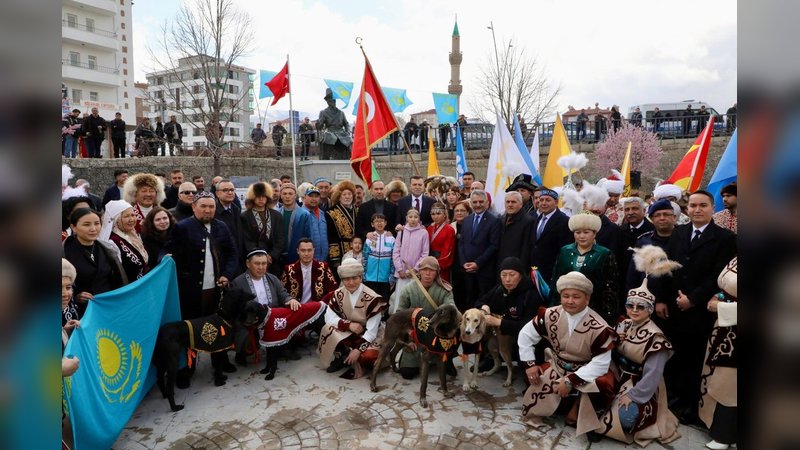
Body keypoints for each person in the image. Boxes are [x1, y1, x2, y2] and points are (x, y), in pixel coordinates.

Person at [654, 190, 736, 426]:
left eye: (702, 205)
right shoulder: (679, 233)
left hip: (700, 311)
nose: (697, 209)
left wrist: (693, 299)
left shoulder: (725, 238)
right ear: (686, 209)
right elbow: (665, 266)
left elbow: (717, 275)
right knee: (674, 356)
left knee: (696, 360)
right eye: (692, 205)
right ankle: (673, 397)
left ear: (712, 208)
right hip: (672, 308)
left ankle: (693, 407)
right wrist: (660, 298)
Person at [518, 271, 616, 441]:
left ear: (587, 299)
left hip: (587, 371)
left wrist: (571, 381)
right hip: (558, 365)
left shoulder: (600, 327)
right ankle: (565, 404)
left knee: (603, 385)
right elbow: (526, 335)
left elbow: (601, 364)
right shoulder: (550, 314)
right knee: (533, 377)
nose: (570, 301)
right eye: (565, 296)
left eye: (576, 297)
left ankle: (579, 413)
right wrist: (529, 364)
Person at [595, 254, 680, 446]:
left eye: (640, 307)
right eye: (630, 305)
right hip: (616, 375)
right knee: (592, 392)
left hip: (639, 384)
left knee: (625, 418)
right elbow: (608, 355)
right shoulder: (623, 325)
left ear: (650, 310)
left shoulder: (657, 339)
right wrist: (615, 344)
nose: (634, 310)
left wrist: (632, 396)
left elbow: (653, 375)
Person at [163, 191, 239, 385]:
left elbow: (232, 254)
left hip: (216, 290)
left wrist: (226, 275)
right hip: (191, 291)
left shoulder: (221, 227)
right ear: (194, 207)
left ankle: (219, 363)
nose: (208, 210)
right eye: (203, 206)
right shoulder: (182, 227)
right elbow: (169, 252)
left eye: (211, 206)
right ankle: (188, 368)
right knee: (191, 329)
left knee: (218, 327)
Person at [230, 249, 326, 378]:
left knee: (290, 319)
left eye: (264, 264)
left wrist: (290, 300)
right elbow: (235, 309)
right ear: (248, 264)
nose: (261, 267)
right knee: (247, 348)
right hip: (251, 322)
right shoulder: (238, 282)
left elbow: (283, 294)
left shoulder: (272, 278)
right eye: (257, 264)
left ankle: (281, 348)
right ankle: (243, 352)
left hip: (272, 320)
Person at [318, 258, 388, 379]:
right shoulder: (338, 294)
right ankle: (343, 355)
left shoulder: (373, 298)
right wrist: (348, 325)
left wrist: (357, 350)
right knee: (329, 328)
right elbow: (328, 317)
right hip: (350, 331)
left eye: (354, 278)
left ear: (361, 277)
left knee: (368, 357)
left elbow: (371, 332)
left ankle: (357, 359)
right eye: (346, 279)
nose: (351, 282)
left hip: (369, 335)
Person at [550, 207, 620, 325]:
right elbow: (556, 280)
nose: (581, 236)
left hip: (594, 308)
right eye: (578, 232)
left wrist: (609, 315)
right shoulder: (565, 251)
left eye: (586, 232)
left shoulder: (604, 254)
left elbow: (611, 287)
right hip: (566, 306)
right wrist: (553, 306)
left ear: (594, 233)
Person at [395, 256, 456, 379]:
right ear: (419, 271)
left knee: (456, 327)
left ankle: (447, 357)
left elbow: (452, 309)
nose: (428, 273)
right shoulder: (408, 290)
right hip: (416, 336)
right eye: (424, 270)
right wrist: (408, 335)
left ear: (437, 272)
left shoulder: (445, 290)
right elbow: (399, 315)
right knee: (407, 373)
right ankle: (412, 359)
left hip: (437, 334)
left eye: (432, 270)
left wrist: (444, 314)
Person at [699, 257, 737, 450]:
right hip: (725, 329)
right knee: (717, 377)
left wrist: (722, 307)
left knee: (729, 385)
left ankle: (726, 434)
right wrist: (719, 297)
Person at [475, 257, 544, 360]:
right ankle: (489, 357)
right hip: (500, 336)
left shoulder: (530, 294)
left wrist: (499, 322)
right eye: (504, 275)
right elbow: (479, 301)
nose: (507, 279)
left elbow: (529, 327)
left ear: (520, 275)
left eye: (512, 275)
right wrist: (483, 307)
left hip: (522, 340)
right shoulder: (500, 289)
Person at [62, 208, 128, 316]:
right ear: (73, 227)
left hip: (107, 308)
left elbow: (117, 280)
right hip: (81, 313)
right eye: (86, 224)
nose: (93, 229)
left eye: (97, 223)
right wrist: (74, 295)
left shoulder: (106, 249)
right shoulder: (65, 252)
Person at [625, 200, 680, 290]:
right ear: (652, 219)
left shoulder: (684, 238)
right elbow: (633, 274)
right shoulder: (643, 241)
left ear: (674, 217)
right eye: (657, 215)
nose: (662, 218)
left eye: (666, 214)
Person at [459, 190, 500, 307]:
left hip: (484, 271)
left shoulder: (494, 220)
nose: (477, 205)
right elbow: (461, 243)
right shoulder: (467, 220)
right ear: (470, 203)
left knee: (483, 302)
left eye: (481, 202)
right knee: (468, 300)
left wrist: (477, 263)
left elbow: (493, 246)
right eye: (475, 202)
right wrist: (464, 263)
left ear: (486, 202)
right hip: (467, 270)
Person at [241, 182, 285, 277]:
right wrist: (259, 256)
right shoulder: (245, 216)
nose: (261, 199)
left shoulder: (277, 216)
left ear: (268, 198)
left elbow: (280, 239)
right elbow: (246, 240)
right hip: (254, 261)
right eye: (258, 196)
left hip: (273, 261)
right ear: (253, 198)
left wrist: (272, 256)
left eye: (263, 196)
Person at [391, 209, 430, 314]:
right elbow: (396, 252)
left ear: (419, 219)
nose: (413, 219)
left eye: (415, 217)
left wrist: (415, 269)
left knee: (414, 298)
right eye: (410, 217)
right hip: (402, 273)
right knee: (400, 297)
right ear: (406, 218)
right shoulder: (402, 232)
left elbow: (425, 253)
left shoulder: (423, 233)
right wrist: (399, 269)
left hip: (415, 274)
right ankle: (398, 317)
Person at [530, 188, 573, 282]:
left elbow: (565, 250)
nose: (543, 203)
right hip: (534, 270)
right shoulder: (535, 219)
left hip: (551, 273)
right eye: (541, 200)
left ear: (556, 202)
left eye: (548, 200)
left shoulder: (564, 221)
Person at [100, 200, 149, 281]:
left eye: (133, 215)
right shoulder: (113, 242)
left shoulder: (134, 235)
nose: (131, 219)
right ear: (117, 220)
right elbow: (117, 274)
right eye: (126, 216)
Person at [281, 238, 338, 304]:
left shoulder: (324, 267)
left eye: (309, 250)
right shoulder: (289, 269)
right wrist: (290, 301)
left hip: (317, 308)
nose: (306, 254)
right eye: (303, 250)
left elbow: (334, 289)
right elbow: (282, 292)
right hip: (296, 309)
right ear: (297, 251)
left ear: (313, 251)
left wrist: (323, 304)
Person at [326, 180, 358, 274]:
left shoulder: (357, 210)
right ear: (339, 197)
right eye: (344, 194)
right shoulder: (331, 212)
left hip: (356, 249)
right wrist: (335, 258)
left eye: (349, 194)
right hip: (340, 251)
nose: (347, 196)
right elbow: (331, 236)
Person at [277, 183, 312, 265]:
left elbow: (308, 236)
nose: (287, 196)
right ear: (281, 195)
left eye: (290, 193)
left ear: (295, 195)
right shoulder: (277, 213)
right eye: (284, 193)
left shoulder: (304, 214)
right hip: (279, 256)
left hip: (297, 256)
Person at [497, 192, 534, 270]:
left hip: (516, 267)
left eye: (513, 202)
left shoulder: (528, 221)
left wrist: (521, 269)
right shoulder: (500, 219)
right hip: (500, 265)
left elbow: (526, 249)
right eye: (508, 202)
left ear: (521, 204)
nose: (510, 204)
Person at [363, 213, 395, 301]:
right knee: (372, 301)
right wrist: (364, 274)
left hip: (385, 277)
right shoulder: (369, 239)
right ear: (372, 224)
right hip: (370, 277)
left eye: (381, 221)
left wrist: (392, 275)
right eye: (376, 221)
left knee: (384, 301)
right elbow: (364, 257)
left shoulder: (391, 239)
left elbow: (393, 258)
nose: (379, 223)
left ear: (385, 223)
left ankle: (384, 315)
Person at [214, 179, 244, 267]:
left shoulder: (236, 210)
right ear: (217, 193)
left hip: (238, 260)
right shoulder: (213, 212)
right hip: (222, 262)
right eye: (225, 190)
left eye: (232, 190)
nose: (230, 192)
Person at [317, 88, 352, 160]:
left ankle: (351, 157)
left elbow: (346, 124)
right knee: (329, 137)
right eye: (329, 100)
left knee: (350, 140)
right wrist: (318, 124)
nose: (332, 101)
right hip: (330, 131)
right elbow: (320, 126)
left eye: (333, 99)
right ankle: (326, 158)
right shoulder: (323, 112)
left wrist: (348, 131)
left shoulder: (341, 113)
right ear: (327, 101)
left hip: (341, 132)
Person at [450, 200, 472, 312]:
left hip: (469, 265)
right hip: (454, 266)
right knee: (457, 295)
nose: (459, 213)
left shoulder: (472, 225)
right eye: (457, 210)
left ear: (468, 212)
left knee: (469, 295)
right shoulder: (451, 227)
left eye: (462, 210)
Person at [427, 202, 456, 283]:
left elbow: (448, 250)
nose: (435, 216)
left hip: (441, 264)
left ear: (444, 214)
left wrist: (438, 265)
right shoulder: (429, 228)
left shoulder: (449, 229)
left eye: (438, 213)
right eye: (433, 214)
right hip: (429, 263)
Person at [301, 187, 329, 261]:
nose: (314, 199)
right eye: (311, 196)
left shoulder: (323, 213)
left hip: (323, 259)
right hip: (306, 259)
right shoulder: (300, 214)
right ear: (304, 197)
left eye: (316, 196)